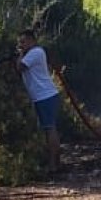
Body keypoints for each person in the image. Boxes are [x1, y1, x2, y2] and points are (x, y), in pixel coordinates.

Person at [14, 29, 62, 172]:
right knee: (48, 129)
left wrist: (20, 54)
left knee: (50, 129)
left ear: (31, 41)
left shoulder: (36, 52)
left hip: (45, 96)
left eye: (23, 42)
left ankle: (53, 164)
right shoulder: (32, 53)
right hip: (42, 97)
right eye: (19, 42)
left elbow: (20, 67)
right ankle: (53, 162)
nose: (20, 45)